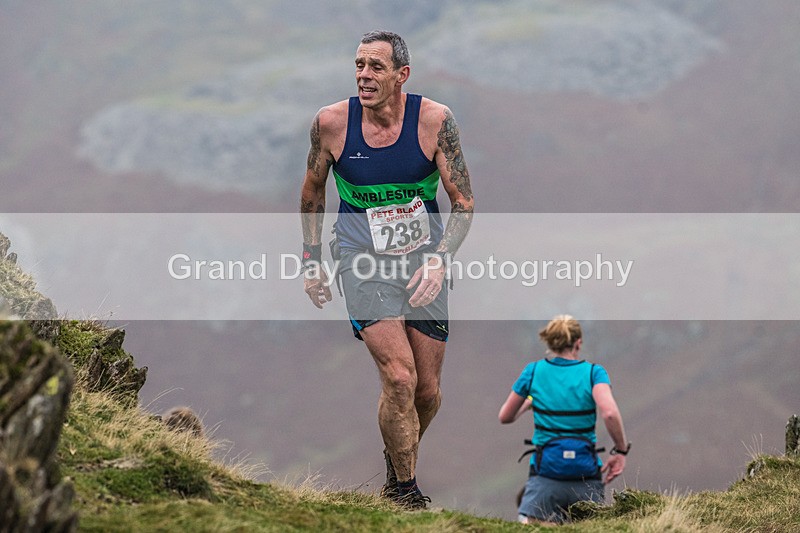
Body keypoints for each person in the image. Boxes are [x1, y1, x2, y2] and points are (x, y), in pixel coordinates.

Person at [300, 30, 474, 510]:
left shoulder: (435, 121)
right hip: (361, 259)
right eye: (359, 65)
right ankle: (404, 492)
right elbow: (313, 193)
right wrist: (312, 262)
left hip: (424, 264)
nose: (364, 75)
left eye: (376, 67)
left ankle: (397, 452)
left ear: (402, 75)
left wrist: (440, 261)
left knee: (426, 392)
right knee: (399, 378)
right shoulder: (332, 124)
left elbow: (463, 202)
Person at [498, 315, 630, 525]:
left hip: (545, 475)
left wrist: (530, 401)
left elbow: (505, 416)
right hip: (586, 475)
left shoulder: (533, 372)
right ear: (578, 343)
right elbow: (610, 413)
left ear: (549, 343)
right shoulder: (594, 373)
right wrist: (621, 451)